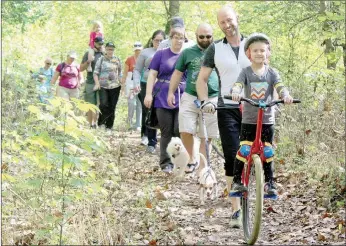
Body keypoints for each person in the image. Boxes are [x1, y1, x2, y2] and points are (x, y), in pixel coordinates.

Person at [196, 4, 251, 228]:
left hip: (253, 106)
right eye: (222, 22)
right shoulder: (215, 49)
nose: (227, 25)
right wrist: (205, 101)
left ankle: (256, 187)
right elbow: (201, 80)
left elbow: (268, 73)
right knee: (232, 156)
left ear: (237, 17)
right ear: (219, 25)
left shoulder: (254, 44)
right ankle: (236, 210)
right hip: (226, 108)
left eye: (229, 20)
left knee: (255, 154)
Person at [230, 33, 293, 195]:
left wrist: (285, 95)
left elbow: (280, 87)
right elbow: (237, 85)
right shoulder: (246, 72)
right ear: (248, 54)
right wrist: (236, 92)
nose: (259, 53)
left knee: (268, 151)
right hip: (249, 120)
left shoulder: (272, 73)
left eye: (262, 50)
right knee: (244, 150)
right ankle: (237, 182)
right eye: (255, 50)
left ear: (268, 53)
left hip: (267, 120)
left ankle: (269, 183)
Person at [167, 23, 219, 174]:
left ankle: (202, 166)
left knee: (207, 134)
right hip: (190, 95)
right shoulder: (187, 52)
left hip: (212, 97)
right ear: (196, 36)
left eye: (208, 36)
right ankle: (192, 158)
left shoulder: (219, 52)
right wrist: (171, 92)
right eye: (201, 36)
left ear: (212, 36)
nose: (204, 39)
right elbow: (177, 73)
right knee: (185, 130)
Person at [144, 27, 187, 173]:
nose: (178, 40)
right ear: (171, 38)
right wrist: (148, 94)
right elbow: (152, 75)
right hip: (162, 95)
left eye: (181, 37)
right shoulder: (161, 54)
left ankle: (180, 161)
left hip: (182, 96)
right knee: (166, 130)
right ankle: (165, 163)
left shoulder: (187, 55)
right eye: (176, 37)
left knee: (179, 129)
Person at [134, 30, 166, 153]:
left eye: (161, 40)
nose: (158, 42)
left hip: (163, 86)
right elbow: (137, 69)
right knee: (149, 112)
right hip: (146, 84)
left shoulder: (168, 52)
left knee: (162, 113)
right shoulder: (145, 52)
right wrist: (136, 83)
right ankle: (151, 141)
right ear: (152, 40)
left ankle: (165, 141)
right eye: (156, 40)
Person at [93, 42, 122, 130]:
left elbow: (120, 73)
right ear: (105, 49)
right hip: (103, 86)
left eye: (112, 49)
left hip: (115, 86)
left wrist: (123, 84)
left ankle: (109, 126)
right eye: (109, 49)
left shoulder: (117, 59)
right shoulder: (101, 59)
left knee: (112, 106)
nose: (110, 51)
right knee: (103, 104)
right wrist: (97, 83)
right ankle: (101, 123)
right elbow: (95, 73)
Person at [80, 36, 105, 128]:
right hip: (90, 82)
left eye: (102, 44)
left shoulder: (104, 53)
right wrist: (88, 61)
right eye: (99, 43)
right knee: (90, 104)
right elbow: (81, 68)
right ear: (94, 43)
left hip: (102, 82)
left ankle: (96, 123)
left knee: (100, 104)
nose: (100, 45)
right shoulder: (88, 53)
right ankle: (91, 124)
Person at [121, 41, 143, 131]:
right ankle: (129, 121)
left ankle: (138, 123)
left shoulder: (144, 59)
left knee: (139, 103)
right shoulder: (129, 59)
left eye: (139, 50)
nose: (137, 51)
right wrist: (123, 85)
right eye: (136, 50)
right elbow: (125, 73)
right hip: (130, 82)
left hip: (141, 83)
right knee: (131, 103)